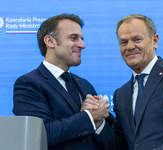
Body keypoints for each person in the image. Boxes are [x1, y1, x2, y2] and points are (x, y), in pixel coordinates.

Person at [94, 14, 163, 149]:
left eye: (137, 39)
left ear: (155, 40)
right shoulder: (120, 94)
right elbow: (120, 144)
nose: (130, 47)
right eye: (124, 42)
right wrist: (99, 124)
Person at [13, 14, 113, 150]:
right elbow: (41, 135)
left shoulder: (85, 84)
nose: (82, 45)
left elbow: (114, 141)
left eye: (82, 39)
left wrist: (99, 122)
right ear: (50, 41)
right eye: (73, 38)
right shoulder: (28, 84)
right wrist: (90, 116)